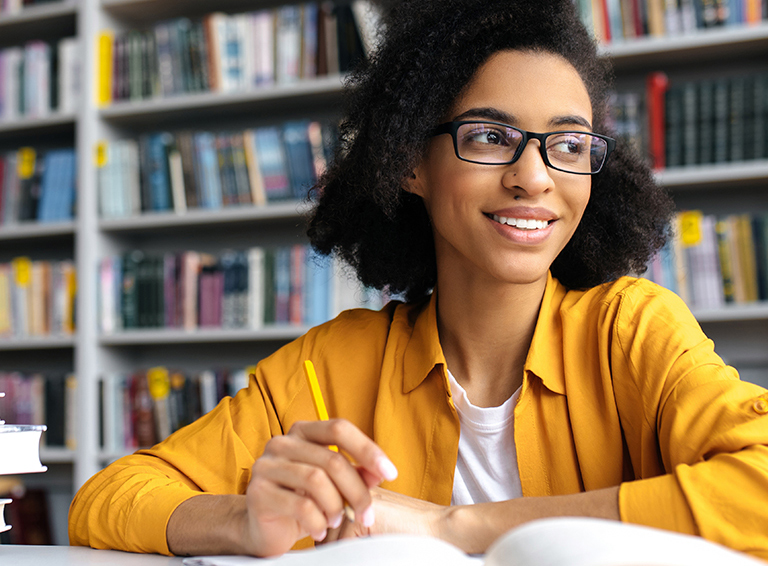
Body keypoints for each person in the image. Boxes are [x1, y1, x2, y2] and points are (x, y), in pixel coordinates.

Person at [69, 0, 768, 560]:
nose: (535, 176)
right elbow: (106, 499)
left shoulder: (632, 329)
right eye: (491, 136)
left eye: (569, 145)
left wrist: (455, 527)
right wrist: (244, 520)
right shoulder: (329, 367)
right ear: (410, 163)